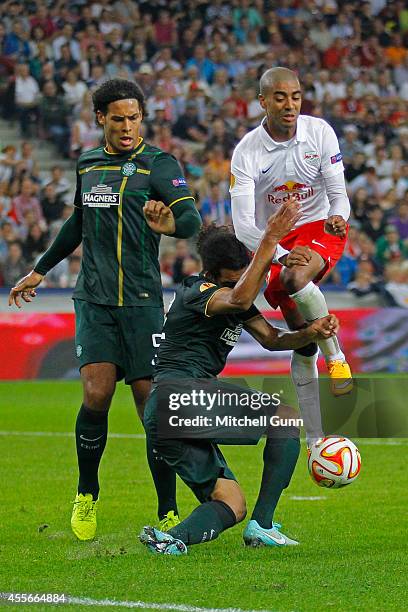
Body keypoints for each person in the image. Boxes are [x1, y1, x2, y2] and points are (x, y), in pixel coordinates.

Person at [9, 78, 202, 541]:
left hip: (142, 303)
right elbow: (78, 220)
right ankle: (87, 494)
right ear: (100, 118)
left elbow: (191, 220)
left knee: (150, 408)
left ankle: (168, 510)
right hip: (93, 299)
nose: (128, 126)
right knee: (96, 395)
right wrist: (40, 269)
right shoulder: (88, 162)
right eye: (118, 118)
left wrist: (170, 223)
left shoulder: (159, 164)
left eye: (134, 117)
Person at [139, 202, 339, 555]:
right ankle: (263, 525)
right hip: (180, 394)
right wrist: (271, 239)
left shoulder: (235, 297)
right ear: (214, 274)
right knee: (286, 419)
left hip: (168, 415)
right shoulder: (197, 292)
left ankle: (169, 540)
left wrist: (313, 331)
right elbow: (239, 296)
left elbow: (273, 339)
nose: (247, 281)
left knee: (231, 504)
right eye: (236, 275)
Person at [230, 67, 352, 449]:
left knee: (297, 280)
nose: (290, 105)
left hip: (319, 227)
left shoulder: (319, 132)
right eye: (280, 97)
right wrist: (280, 253)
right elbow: (243, 227)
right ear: (262, 101)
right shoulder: (247, 152)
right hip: (275, 239)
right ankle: (317, 441)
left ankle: (337, 356)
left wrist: (338, 217)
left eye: (296, 96)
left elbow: (339, 195)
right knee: (303, 342)